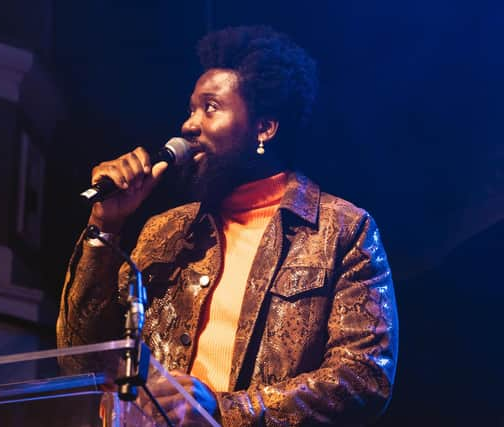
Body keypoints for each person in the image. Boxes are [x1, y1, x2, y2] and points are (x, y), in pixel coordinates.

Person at [57, 25, 398, 426]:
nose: (189, 124)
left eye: (210, 107)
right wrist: (105, 226)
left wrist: (223, 410)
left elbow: (363, 376)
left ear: (264, 128)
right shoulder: (163, 233)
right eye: (191, 109)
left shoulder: (342, 230)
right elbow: (81, 357)